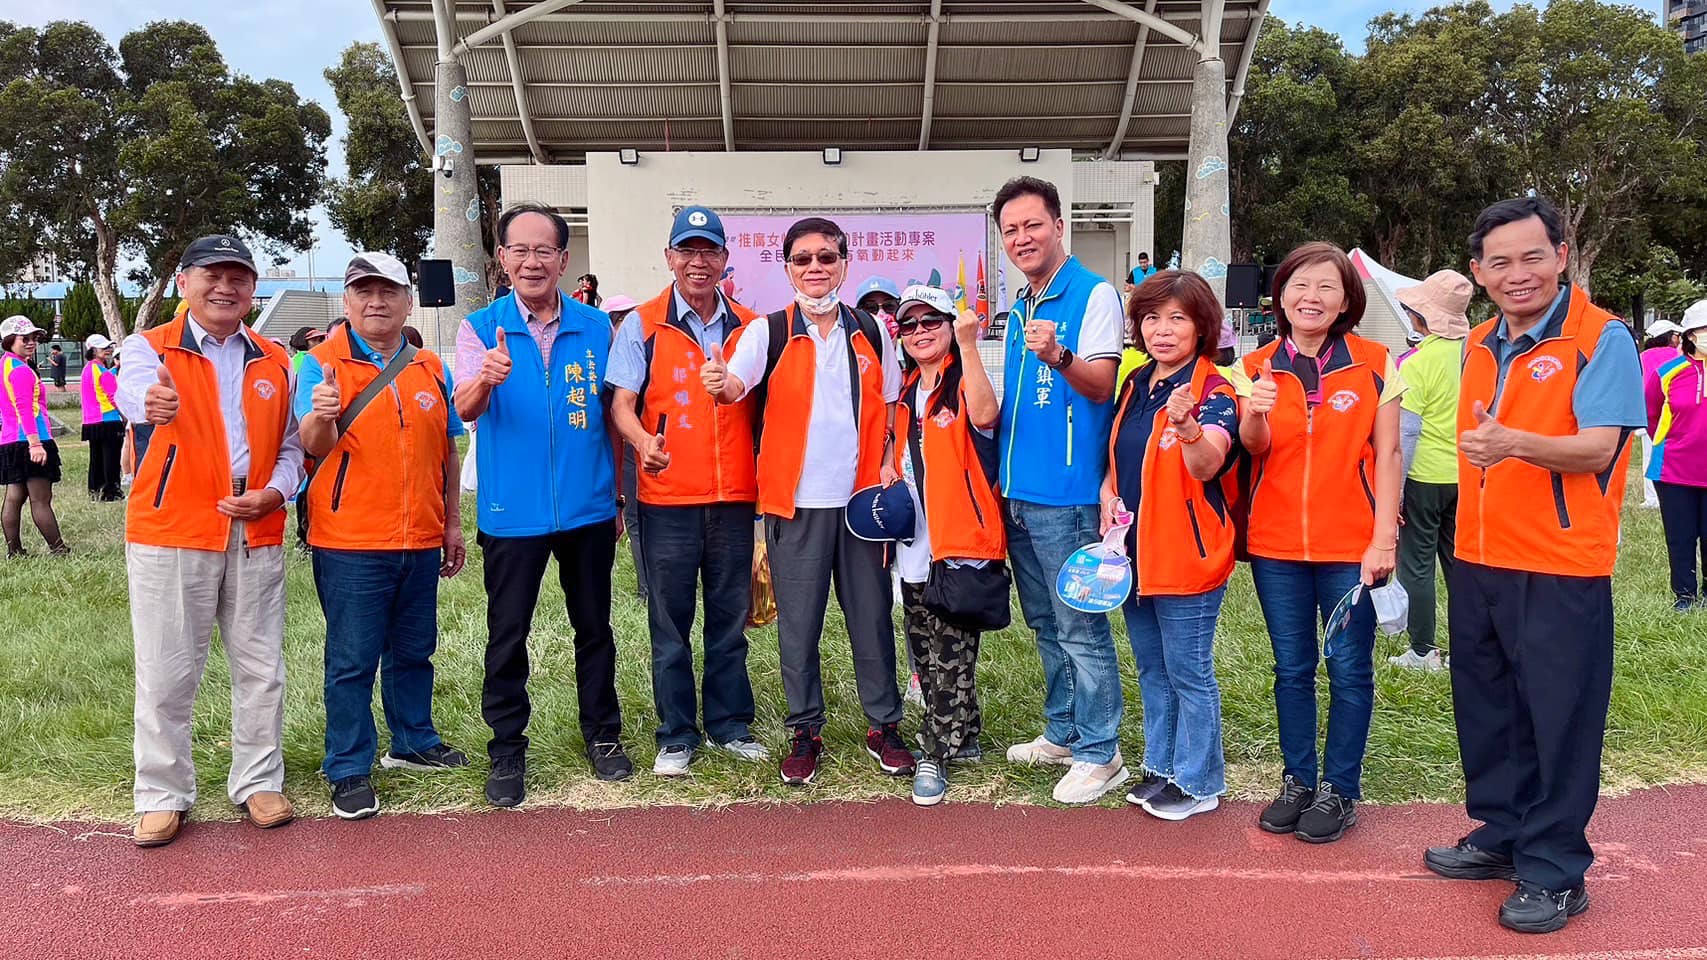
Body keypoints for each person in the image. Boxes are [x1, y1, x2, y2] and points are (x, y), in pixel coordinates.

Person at [1422, 196, 1643, 934]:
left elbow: (1600, 448)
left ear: (1559, 255)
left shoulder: (1599, 336)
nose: (1517, 274)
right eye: (1499, 262)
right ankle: (1501, 832)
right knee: (1488, 710)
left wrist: (1515, 442)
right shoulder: (1478, 342)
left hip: (1558, 563)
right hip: (1479, 559)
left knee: (1559, 719)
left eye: (1531, 256)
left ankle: (1553, 870)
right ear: (1478, 273)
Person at [701, 216, 914, 787]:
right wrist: (719, 383)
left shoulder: (871, 329)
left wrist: (890, 456)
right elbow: (735, 388)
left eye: (826, 257)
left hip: (861, 505)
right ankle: (805, 729)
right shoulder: (767, 332)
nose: (815, 268)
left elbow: (894, 401)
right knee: (799, 625)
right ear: (787, 267)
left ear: (844, 263)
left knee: (870, 618)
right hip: (794, 504)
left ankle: (883, 724)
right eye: (803, 259)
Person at [114, 234, 304, 847]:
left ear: (253, 289)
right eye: (211, 275)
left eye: (238, 277)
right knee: (168, 669)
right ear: (182, 282)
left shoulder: (274, 359)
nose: (225, 288)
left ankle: (258, 781)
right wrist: (149, 401)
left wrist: (275, 492)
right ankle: (162, 793)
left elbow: (295, 445)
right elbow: (133, 391)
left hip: (256, 524)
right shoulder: (149, 349)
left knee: (260, 667)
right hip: (173, 526)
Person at [454, 203, 629, 807]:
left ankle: (603, 737)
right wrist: (487, 378)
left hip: (586, 508)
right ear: (501, 259)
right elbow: (465, 409)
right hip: (512, 512)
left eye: (544, 251)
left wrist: (619, 497)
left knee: (594, 629)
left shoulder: (596, 327)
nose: (532, 262)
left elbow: (613, 414)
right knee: (507, 633)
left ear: (562, 259)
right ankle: (506, 750)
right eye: (519, 251)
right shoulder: (480, 328)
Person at [1239, 241, 1404, 843]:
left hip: (1349, 547)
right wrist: (1255, 411)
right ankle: (1297, 781)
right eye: (1300, 285)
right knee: (1292, 668)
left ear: (1345, 301)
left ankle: (1340, 789)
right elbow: (1254, 449)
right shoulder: (1254, 363)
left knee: (1350, 669)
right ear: (1280, 295)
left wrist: (1383, 537)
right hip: (1276, 546)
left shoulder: (1375, 360)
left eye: (1326, 287)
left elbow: (1387, 453)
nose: (1311, 297)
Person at [295, 252, 469, 820]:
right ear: (346, 302)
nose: (377, 302)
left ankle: (413, 741)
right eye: (364, 291)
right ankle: (346, 765)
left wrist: (450, 523)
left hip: (418, 538)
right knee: (351, 658)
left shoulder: (428, 367)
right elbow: (311, 447)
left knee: (414, 651)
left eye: (389, 291)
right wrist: (322, 413)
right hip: (349, 540)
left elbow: (446, 448)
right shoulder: (318, 366)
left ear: (407, 300)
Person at [607, 205, 768, 776]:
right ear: (669, 257)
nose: (699, 261)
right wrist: (642, 440)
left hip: (732, 501)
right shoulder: (642, 324)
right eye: (687, 250)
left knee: (728, 619)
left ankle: (729, 724)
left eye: (710, 251)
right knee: (669, 623)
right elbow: (621, 406)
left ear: (725, 260)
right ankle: (676, 734)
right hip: (666, 501)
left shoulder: (752, 327)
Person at [991, 177, 1127, 804]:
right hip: (1020, 491)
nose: (1023, 237)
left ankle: (1103, 753)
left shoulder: (1091, 294)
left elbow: (1101, 384)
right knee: (1046, 623)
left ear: (1058, 226)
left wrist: (1060, 354)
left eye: (1033, 225)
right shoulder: (1022, 301)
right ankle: (1064, 732)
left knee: (1081, 628)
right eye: (1011, 229)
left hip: (1068, 495)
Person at [1099, 271, 1239, 822]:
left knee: (1189, 671)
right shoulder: (1136, 383)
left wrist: (1186, 426)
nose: (1161, 330)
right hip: (1132, 553)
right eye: (1152, 317)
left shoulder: (1214, 389)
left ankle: (1201, 780)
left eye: (1177, 318)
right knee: (1152, 669)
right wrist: (1107, 492)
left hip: (1188, 552)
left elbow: (1209, 464)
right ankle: (1161, 765)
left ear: (1202, 326)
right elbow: (1120, 457)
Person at [888, 285, 1003, 805]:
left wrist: (969, 345)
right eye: (908, 325)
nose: (919, 332)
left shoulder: (961, 379)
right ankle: (968, 733)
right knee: (922, 650)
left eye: (929, 321)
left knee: (952, 653)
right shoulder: (908, 386)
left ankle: (934, 752)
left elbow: (985, 417)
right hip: (915, 540)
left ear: (948, 325)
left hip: (962, 539)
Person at [1389, 271, 1472, 671]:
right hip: (1469, 477)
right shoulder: (1478, 354)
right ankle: (1469, 647)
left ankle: (1423, 650)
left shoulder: (1418, 363)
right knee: (1461, 566)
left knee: (1417, 566)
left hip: (1424, 476)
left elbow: (1406, 431)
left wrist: (1395, 491)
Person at [1646, 300, 1707, 611]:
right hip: (1674, 469)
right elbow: (1652, 412)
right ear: (1690, 335)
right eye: (1704, 329)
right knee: (1680, 538)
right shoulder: (1668, 371)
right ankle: (1685, 596)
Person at [2, 316, 69, 557]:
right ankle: (59, 549)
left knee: (14, 496)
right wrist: (35, 443)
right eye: (25, 339)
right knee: (41, 499)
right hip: (30, 439)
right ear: (10, 340)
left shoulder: (7, 365)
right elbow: (24, 409)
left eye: (35, 338)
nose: (32, 342)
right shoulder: (20, 370)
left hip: (11, 439)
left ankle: (15, 551)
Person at [600, 293, 646, 599]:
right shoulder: (602, 367)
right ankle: (646, 586)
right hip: (623, 453)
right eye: (620, 321)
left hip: (645, 447)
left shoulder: (638, 355)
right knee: (635, 517)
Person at [1639, 318, 1682, 509]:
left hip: (1647, 411)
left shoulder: (1642, 356)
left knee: (1649, 454)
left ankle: (1651, 498)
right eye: (1676, 335)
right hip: (1674, 410)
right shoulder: (1677, 355)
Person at [80, 334, 125, 502]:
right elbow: (114, 396)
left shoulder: (87, 369)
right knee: (111, 459)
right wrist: (125, 416)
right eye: (103, 348)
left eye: (108, 347)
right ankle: (111, 492)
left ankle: (95, 490)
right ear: (93, 350)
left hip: (92, 422)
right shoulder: (103, 371)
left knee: (96, 458)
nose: (108, 350)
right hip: (109, 420)